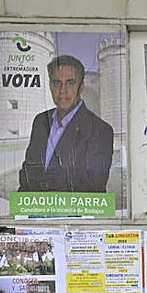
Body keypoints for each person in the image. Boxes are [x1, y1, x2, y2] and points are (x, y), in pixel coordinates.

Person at [18, 55, 114, 194]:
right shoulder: (40, 121)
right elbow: (27, 173)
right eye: (57, 83)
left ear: (81, 87)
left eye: (70, 83)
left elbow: (93, 187)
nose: (63, 90)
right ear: (51, 87)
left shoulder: (100, 130)